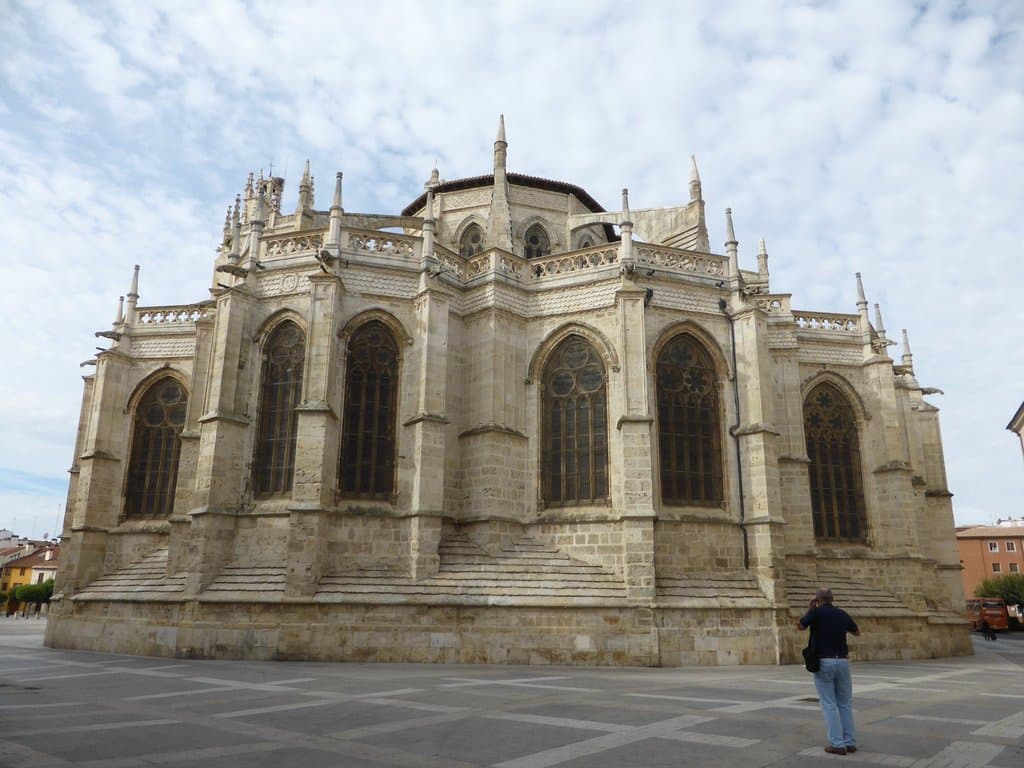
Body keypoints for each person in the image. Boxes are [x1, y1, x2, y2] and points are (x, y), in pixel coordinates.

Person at [797, 587, 861, 756]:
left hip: (824, 661)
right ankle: (850, 741)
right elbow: (857, 632)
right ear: (833, 599)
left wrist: (810, 609)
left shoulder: (815, 613)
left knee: (829, 704)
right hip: (842, 661)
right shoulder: (841, 614)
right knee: (845, 703)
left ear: (818, 600)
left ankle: (837, 744)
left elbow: (800, 626)